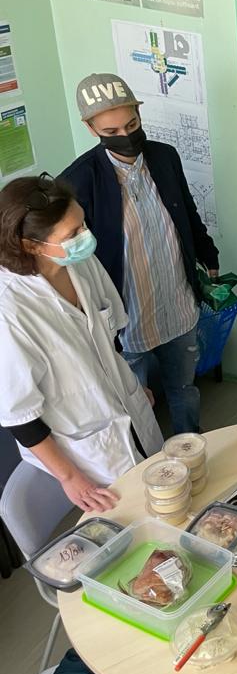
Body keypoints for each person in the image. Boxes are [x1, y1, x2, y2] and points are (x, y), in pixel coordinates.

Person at [61, 73, 219, 434]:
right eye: (112, 131)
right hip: (127, 315)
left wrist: (209, 257)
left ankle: (190, 447)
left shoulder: (163, 157)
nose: (126, 136)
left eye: (132, 124)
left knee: (184, 389)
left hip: (176, 301)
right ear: (90, 128)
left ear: (139, 113)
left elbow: (187, 213)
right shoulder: (78, 181)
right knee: (133, 404)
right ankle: (146, 461)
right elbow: (75, 261)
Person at [0, 175, 164, 512]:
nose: (85, 236)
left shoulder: (78, 261)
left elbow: (108, 333)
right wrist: (69, 477)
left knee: (164, 494)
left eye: (82, 224)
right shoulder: (10, 310)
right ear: (31, 245)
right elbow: (20, 416)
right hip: (87, 445)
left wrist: (130, 384)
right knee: (132, 515)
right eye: (72, 233)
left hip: (129, 407)